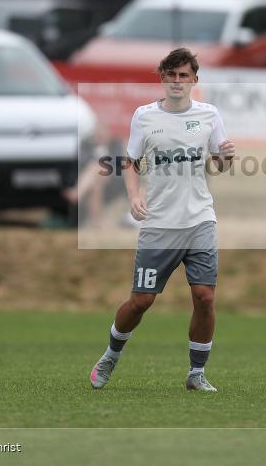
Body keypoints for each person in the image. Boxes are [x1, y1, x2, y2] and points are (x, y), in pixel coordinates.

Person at [90, 48, 235, 392]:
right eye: (170, 75)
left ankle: (196, 373)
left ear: (194, 81)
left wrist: (226, 158)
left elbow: (218, 164)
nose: (177, 81)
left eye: (183, 75)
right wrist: (135, 196)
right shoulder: (144, 116)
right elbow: (131, 162)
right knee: (142, 301)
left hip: (200, 220)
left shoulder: (209, 114)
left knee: (205, 297)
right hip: (159, 225)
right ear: (162, 78)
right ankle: (110, 355)